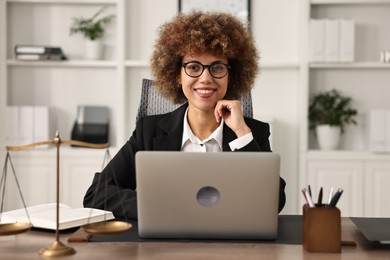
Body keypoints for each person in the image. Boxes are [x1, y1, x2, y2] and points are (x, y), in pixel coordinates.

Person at [83, 11, 286, 219]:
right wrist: (162, 207)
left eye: (217, 67)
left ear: (231, 76)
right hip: (166, 244)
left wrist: (242, 133)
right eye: (193, 67)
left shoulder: (252, 133)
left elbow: (274, 201)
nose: (205, 78)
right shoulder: (148, 131)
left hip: (229, 243)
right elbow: (97, 194)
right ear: (177, 75)